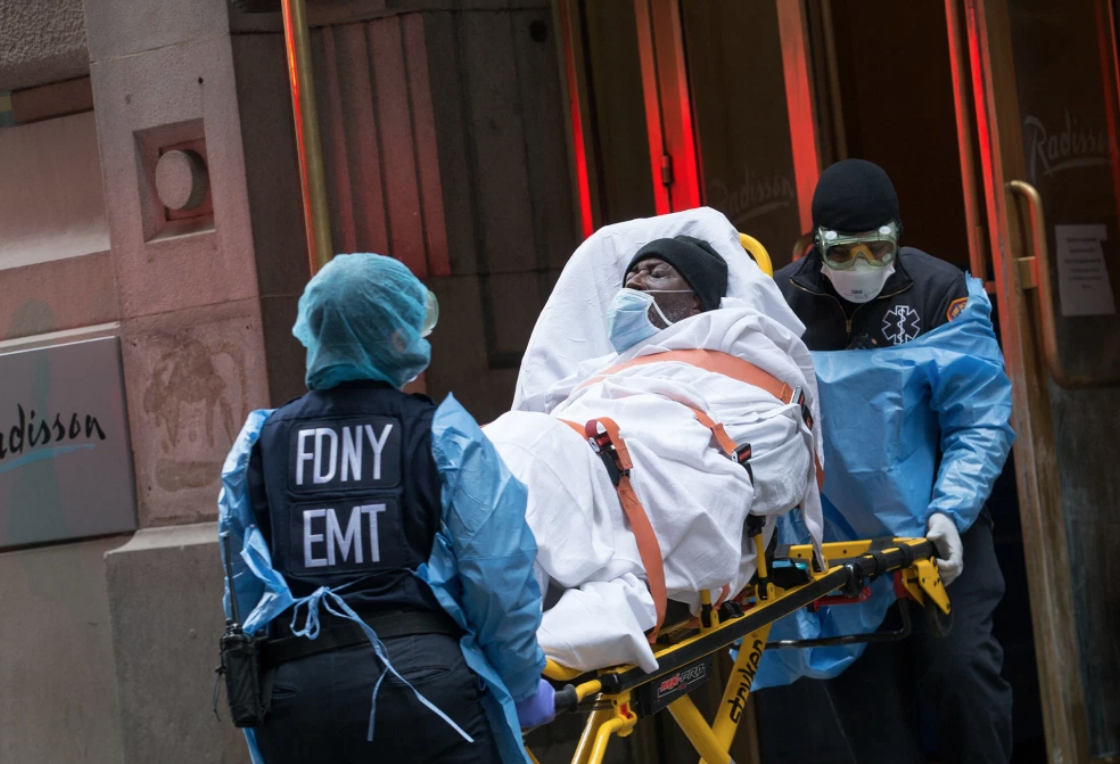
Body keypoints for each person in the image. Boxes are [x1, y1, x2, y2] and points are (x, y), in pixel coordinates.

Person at [217, 253, 552, 764]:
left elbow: (243, 586)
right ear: (397, 338)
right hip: (422, 688)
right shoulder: (441, 432)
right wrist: (521, 682)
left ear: (315, 333)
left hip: (296, 697)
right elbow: (497, 571)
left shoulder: (261, 441)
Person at [485, 209, 824, 674]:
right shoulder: (595, 374)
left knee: (525, 451)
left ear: (697, 301)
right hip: (568, 455)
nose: (636, 282)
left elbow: (776, 468)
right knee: (510, 441)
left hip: (631, 475)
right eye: (631, 275)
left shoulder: (745, 364)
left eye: (657, 272)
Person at [759, 159, 1015, 763]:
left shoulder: (940, 292)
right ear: (816, 246)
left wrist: (952, 511)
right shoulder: (776, 304)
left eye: (876, 249)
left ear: (897, 238)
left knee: (963, 673)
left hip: (937, 522)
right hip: (836, 538)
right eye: (842, 252)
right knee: (868, 711)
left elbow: (978, 417)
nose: (860, 265)